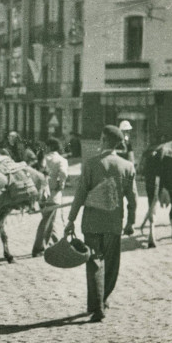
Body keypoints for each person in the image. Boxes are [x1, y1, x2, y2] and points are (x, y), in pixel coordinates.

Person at [65, 125, 137, 323]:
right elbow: (133, 199)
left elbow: (79, 195)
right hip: (114, 224)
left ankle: (97, 306)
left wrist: (70, 220)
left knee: (94, 262)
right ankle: (102, 300)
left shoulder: (90, 164)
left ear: (103, 140)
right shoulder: (127, 166)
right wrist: (131, 222)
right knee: (112, 264)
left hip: (92, 223)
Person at [32, 137, 69, 257]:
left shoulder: (43, 158)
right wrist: (61, 183)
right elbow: (63, 173)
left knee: (49, 219)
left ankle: (57, 243)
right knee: (48, 220)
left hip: (42, 195)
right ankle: (38, 248)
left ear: (49, 147)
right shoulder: (61, 160)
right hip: (53, 194)